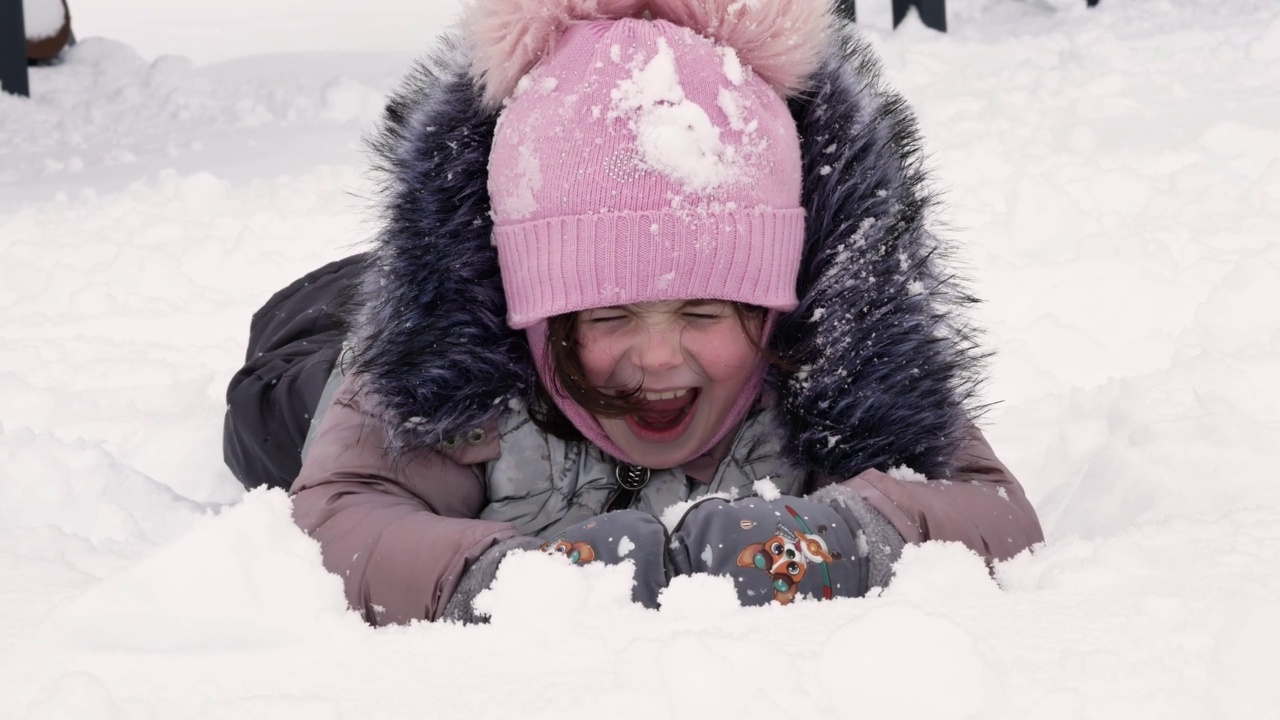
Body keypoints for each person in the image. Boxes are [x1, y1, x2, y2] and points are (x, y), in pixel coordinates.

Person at [223, 0, 1044, 626]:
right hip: (324, 342)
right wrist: (491, 574)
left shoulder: (832, 357)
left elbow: (991, 508)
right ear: (539, 317)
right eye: (609, 316)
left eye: (702, 311)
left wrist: (843, 537)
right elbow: (337, 513)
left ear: (773, 302)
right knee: (269, 409)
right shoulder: (446, 362)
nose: (658, 358)